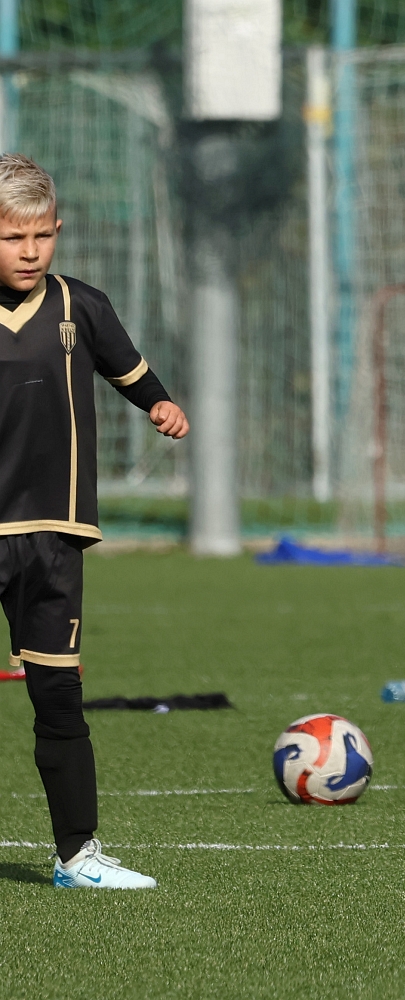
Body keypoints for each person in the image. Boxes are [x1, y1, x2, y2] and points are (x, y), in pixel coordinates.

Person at [0, 153, 189, 889]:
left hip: (54, 534)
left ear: (58, 231)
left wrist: (160, 404)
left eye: (42, 236)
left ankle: (76, 857)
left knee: (58, 696)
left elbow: (130, 371)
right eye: (13, 238)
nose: (30, 251)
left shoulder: (81, 307)